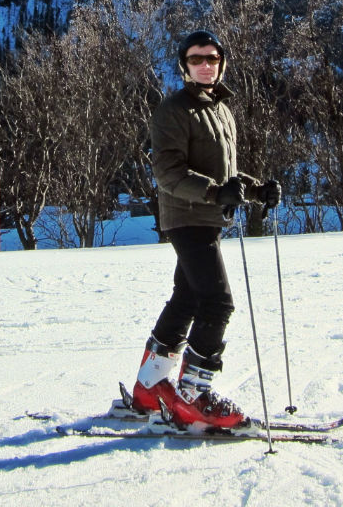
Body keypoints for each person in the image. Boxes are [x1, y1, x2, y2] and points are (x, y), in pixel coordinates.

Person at [131, 29, 281, 428]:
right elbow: (168, 173)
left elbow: (225, 175)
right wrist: (216, 194)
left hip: (206, 216)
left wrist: (255, 189)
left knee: (188, 299)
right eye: (196, 59)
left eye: (212, 59)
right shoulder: (172, 110)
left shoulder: (220, 109)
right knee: (218, 302)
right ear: (184, 66)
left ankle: (150, 387)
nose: (205, 65)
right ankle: (194, 396)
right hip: (187, 217)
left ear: (221, 64)